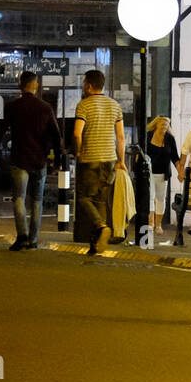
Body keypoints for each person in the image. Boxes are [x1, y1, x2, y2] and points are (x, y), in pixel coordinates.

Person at [0, 71, 64, 251]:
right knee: (37, 200)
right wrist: (57, 159)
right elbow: (56, 135)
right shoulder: (45, 108)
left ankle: (22, 236)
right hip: (40, 159)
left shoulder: (13, 106)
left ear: (20, 85)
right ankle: (33, 240)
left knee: (19, 198)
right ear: (36, 85)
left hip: (19, 158)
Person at [72, 69, 126, 256]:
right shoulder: (115, 105)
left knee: (84, 198)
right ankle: (96, 245)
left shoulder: (83, 105)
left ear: (89, 85)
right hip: (110, 160)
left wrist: (78, 151)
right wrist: (122, 161)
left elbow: (77, 133)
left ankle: (101, 227)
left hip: (91, 158)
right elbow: (120, 137)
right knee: (101, 200)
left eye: (84, 82)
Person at [145, 116, 180, 235]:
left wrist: (180, 171)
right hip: (149, 173)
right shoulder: (148, 135)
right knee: (150, 198)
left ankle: (158, 225)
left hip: (163, 173)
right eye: (162, 124)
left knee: (160, 199)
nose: (164, 126)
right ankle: (150, 224)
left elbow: (175, 157)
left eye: (167, 124)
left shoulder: (170, 139)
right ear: (156, 124)